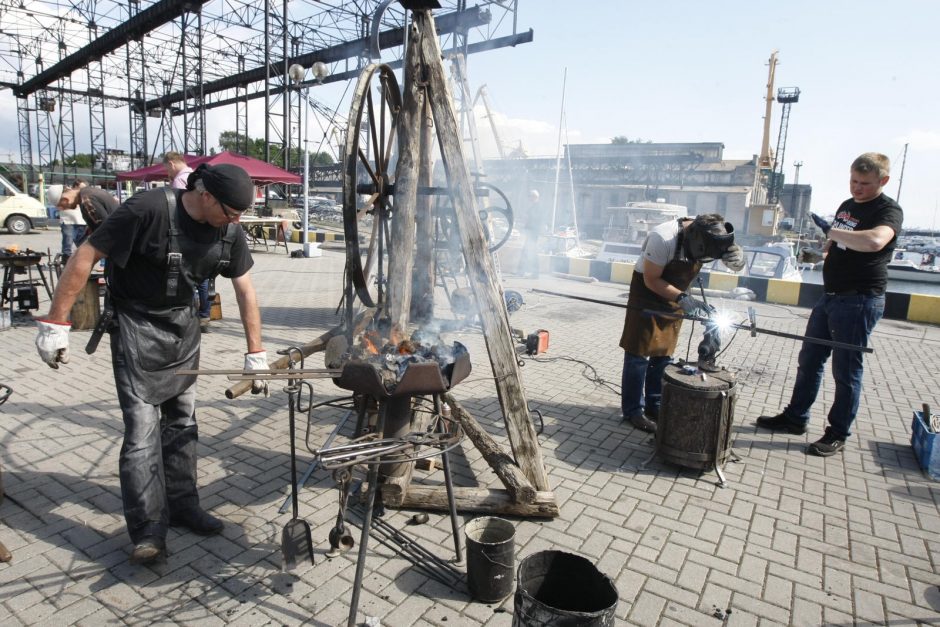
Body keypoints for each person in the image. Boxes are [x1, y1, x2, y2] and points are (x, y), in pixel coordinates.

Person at [34, 163, 270, 565]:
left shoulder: (228, 229)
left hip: (182, 328)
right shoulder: (149, 209)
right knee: (142, 431)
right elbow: (86, 254)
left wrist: (256, 353)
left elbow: (244, 288)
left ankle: (183, 505)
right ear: (207, 196)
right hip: (135, 325)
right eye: (232, 212)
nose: (237, 221)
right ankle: (147, 530)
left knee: (182, 422)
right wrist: (56, 323)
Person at [757, 153, 903, 456]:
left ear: (883, 181)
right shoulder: (847, 206)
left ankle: (837, 432)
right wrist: (821, 251)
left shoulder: (888, 210)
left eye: (864, 183)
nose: (857, 188)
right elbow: (835, 243)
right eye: (853, 181)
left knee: (846, 371)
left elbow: (875, 241)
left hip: (859, 300)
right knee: (809, 360)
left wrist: (830, 231)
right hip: (831, 297)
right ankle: (795, 418)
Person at [619, 214, 745, 432]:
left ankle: (654, 404)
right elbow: (651, 279)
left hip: (675, 293)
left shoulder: (714, 237)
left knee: (663, 354)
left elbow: (736, 265)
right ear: (694, 239)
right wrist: (682, 298)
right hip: (647, 292)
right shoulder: (663, 237)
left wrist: (738, 261)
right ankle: (633, 410)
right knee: (638, 355)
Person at [163, 152, 213, 332]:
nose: (166, 171)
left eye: (166, 168)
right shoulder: (194, 179)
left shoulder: (179, 183)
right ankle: (205, 315)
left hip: (185, 238)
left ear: (171, 164)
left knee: (187, 279)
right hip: (203, 238)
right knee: (203, 280)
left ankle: (188, 316)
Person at [521, 189, 543, 278]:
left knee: (532, 252)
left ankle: (535, 273)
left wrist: (527, 218)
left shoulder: (537, 207)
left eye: (530, 196)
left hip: (533, 233)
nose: (529, 198)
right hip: (531, 232)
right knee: (526, 252)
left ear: (535, 197)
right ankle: (522, 271)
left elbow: (536, 219)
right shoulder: (534, 206)